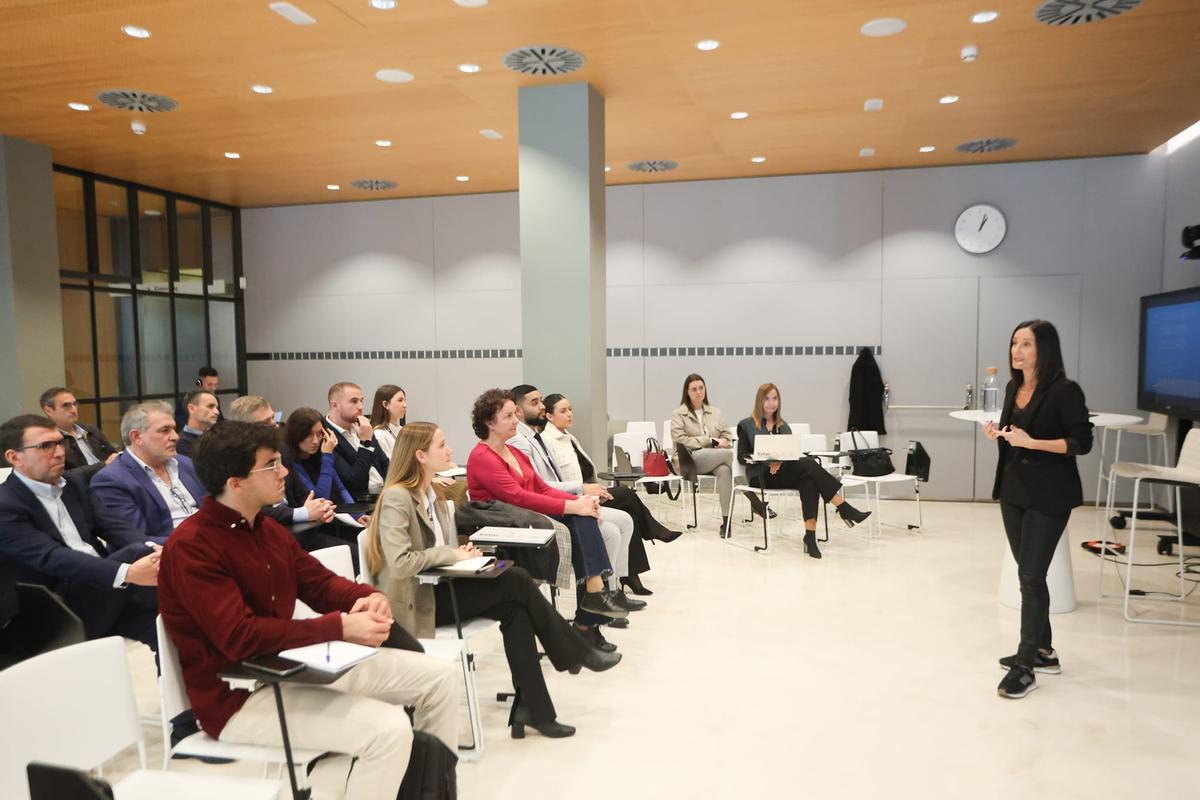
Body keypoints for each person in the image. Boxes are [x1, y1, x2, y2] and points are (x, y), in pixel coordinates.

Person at [158, 420, 459, 798]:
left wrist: (362, 596)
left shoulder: (265, 530)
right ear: (235, 483)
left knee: (441, 678)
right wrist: (340, 627)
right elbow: (240, 636)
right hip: (240, 696)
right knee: (388, 730)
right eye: (271, 465)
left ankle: (429, 790)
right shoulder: (193, 546)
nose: (284, 472)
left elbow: (317, 583)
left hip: (298, 668)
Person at [365, 422, 619, 740]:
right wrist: (450, 555)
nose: (450, 450)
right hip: (416, 604)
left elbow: (436, 551)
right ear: (420, 455)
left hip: (439, 586)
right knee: (515, 579)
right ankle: (574, 650)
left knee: (517, 606)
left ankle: (535, 708)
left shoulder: (432, 494)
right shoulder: (396, 499)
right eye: (442, 445)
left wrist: (461, 553)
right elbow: (402, 564)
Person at [983, 319, 1092, 700]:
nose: (1017, 350)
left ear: (1044, 349)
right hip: (1014, 491)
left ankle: (1025, 665)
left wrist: (1033, 443)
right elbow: (1017, 436)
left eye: (1026, 344)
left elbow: (1081, 443)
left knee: (1030, 575)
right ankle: (1043, 650)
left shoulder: (1065, 391)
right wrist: (1000, 434)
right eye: (1015, 342)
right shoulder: (1015, 387)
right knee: (1029, 575)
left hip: (1049, 495)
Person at [466, 388, 629, 620]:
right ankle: (592, 602)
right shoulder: (482, 457)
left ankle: (594, 597)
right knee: (581, 517)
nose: (516, 420)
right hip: (508, 526)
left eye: (515, 414)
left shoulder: (512, 451)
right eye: (509, 416)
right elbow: (518, 497)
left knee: (584, 515)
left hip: (527, 515)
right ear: (489, 423)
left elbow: (541, 488)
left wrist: (579, 501)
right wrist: (574, 506)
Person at [0, 415, 159, 648]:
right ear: (14, 457)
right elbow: (52, 557)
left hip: (101, 590)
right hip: (54, 609)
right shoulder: (6, 505)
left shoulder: (73, 483)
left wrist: (155, 549)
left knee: (167, 625)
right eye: (46, 446)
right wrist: (127, 572)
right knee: (136, 554)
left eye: (59, 442)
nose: (59, 452)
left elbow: (115, 527)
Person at [508, 384, 644, 611]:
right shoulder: (520, 442)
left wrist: (581, 494)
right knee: (607, 528)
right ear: (518, 412)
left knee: (624, 519)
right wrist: (579, 493)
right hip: (544, 509)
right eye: (535, 403)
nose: (542, 406)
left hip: (562, 496)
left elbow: (543, 484)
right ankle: (594, 601)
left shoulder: (535, 437)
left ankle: (610, 591)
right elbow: (534, 489)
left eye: (541, 401)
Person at [543, 392, 683, 595]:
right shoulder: (549, 441)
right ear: (549, 416)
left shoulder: (568, 437)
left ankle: (630, 574)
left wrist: (595, 489)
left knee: (630, 511)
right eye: (563, 411)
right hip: (577, 499)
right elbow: (558, 482)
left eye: (570, 409)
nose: (569, 414)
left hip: (589, 494)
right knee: (626, 494)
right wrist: (587, 491)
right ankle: (652, 533)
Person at [735, 384, 871, 559]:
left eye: (775, 398)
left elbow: (791, 454)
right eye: (767, 398)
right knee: (808, 464)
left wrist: (780, 461)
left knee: (808, 479)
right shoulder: (746, 425)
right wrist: (769, 461)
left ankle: (810, 537)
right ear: (759, 401)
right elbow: (742, 457)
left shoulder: (784, 426)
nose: (771, 403)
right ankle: (843, 507)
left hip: (784, 473)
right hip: (761, 476)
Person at [90, 402, 204, 542]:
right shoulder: (111, 480)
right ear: (136, 437)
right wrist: (198, 543)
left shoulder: (186, 464)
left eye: (174, 429)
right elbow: (137, 539)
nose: (175, 437)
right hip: (168, 553)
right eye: (165, 430)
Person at [670, 373, 735, 531]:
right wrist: (708, 441)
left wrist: (723, 442)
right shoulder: (678, 414)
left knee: (725, 470)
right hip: (690, 459)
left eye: (701, 388)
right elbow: (681, 440)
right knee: (732, 456)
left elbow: (728, 437)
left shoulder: (716, 412)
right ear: (687, 392)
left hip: (715, 457)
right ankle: (754, 495)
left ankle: (726, 524)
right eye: (694, 389)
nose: (699, 392)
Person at [39, 386, 119, 480]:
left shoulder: (91, 430)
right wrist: (103, 465)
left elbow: (112, 455)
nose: (73, 410)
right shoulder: (49, 441)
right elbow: (62, 476)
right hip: (82, 488)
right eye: (66, 406)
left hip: (110, 479)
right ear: (48, 411)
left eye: (74, 404)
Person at [325, 382, 389, 497]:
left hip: (382, 493)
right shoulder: (327, 436)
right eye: (354, 401)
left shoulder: (362, 427)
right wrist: (365, 444)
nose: (361, 407)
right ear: (335, 405)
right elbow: (353, 483)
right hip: (360, 502)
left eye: (361, 401)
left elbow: (385, 465)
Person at [176, 389, 221, 458]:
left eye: (216, 407)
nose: (217, 412)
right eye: (210, 406)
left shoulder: (218, 437)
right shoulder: (181, 444)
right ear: (192, 408)